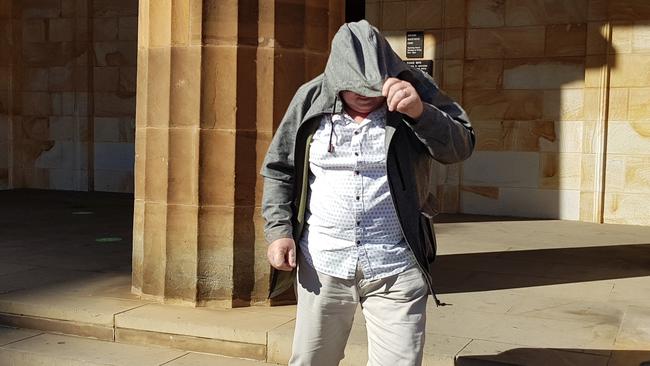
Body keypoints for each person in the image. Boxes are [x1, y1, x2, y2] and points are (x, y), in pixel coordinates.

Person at [260, 20, 475, 366]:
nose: (366, 95)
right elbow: (279, 168)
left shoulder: (414, 91)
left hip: (396, 264)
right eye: (354, 87)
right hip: (323, 262)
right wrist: (279, 231)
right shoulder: (310, 98)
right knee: (312, 360)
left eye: (373, 87)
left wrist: (421, 114)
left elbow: (461, 147)